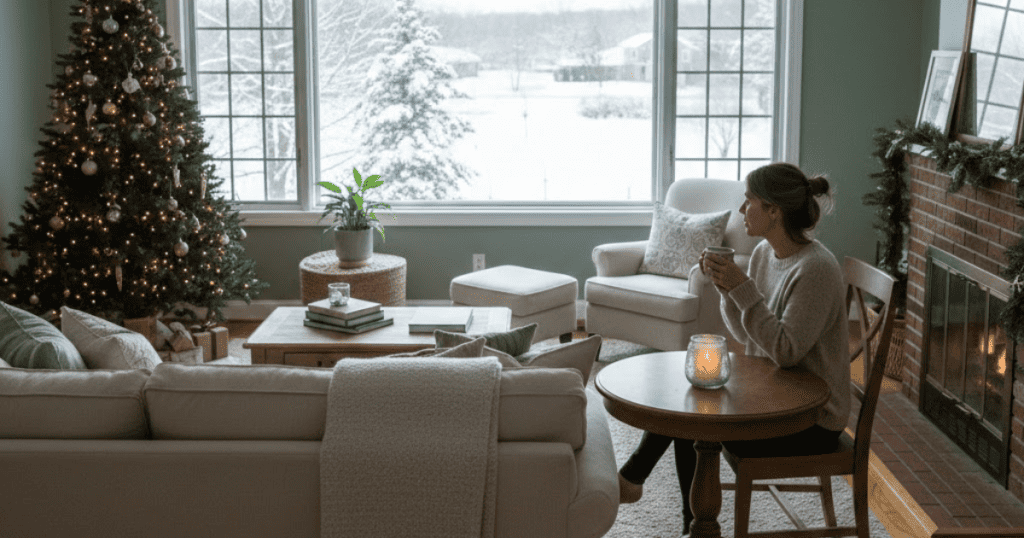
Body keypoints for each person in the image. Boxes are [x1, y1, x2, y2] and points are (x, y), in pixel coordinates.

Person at [616, 162, 851, 536]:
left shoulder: (815, 268)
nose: (742, 211)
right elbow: (748, 336)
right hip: (774, 392)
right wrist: (725, 289)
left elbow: (785, 351)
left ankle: (639, 482)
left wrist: (743, 291)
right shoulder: (763, 255)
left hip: (809, 417)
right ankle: (687, 521)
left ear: (774, 210)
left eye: (749, 202)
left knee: (694, 420)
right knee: (690, 401)